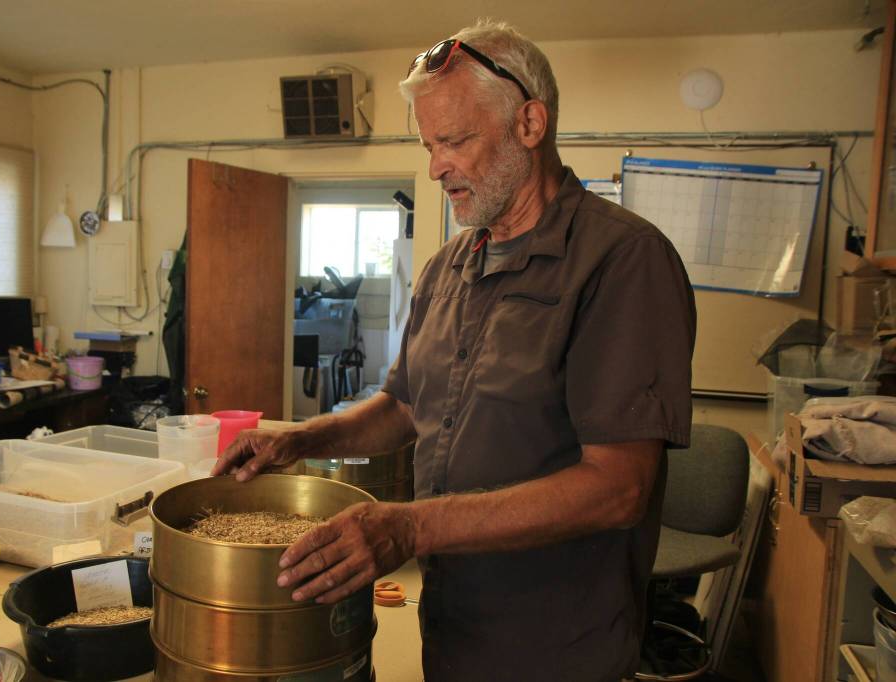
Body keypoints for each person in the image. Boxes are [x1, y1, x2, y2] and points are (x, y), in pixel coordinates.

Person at [213, 19, 696, 682]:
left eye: (456, 140)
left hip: (556, 646)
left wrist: (409, 529)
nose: (436, 166)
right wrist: (299, 439)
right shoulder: (449, 267)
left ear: (530, 124)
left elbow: (619, 488)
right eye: (429, 145)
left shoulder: (622, 261)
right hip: (450, 624)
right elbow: (405, 406)